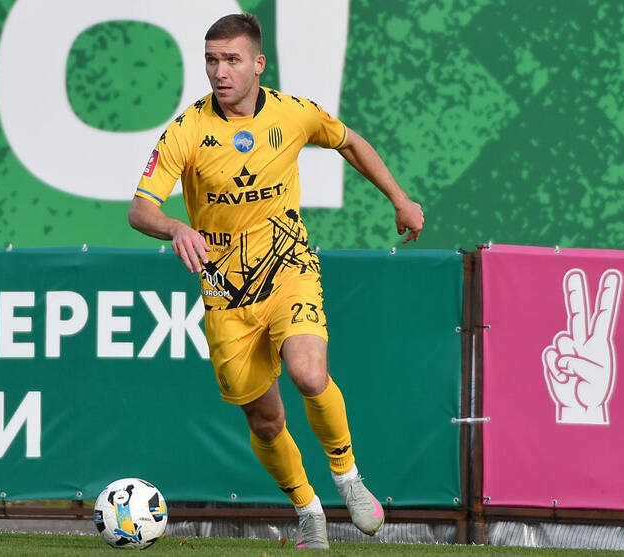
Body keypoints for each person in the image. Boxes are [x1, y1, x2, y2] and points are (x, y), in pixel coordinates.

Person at [128, 13, 424, 549]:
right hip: (225, 293)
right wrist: (175, 226)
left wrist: (399, 199)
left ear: (258, 63)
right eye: (212, 60)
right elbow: (140, 208)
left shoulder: (293, 113)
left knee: (309, 374)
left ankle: (348, 477)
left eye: (232, 60)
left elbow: (350, 142)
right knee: (266, 422)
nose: (220, 71)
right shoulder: (187, 129)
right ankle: (308, 511)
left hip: (289, 267)